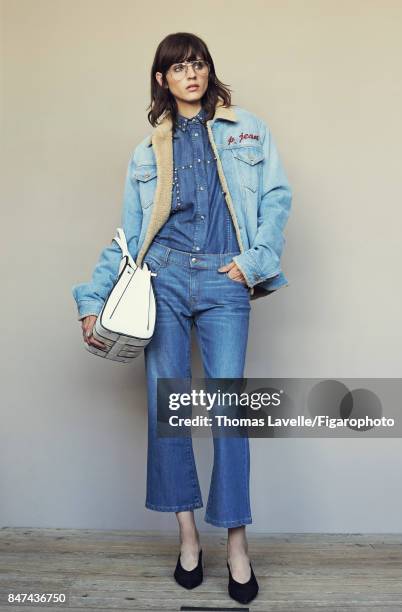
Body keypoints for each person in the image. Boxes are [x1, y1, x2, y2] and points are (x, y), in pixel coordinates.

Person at [72, 31, 292, 605]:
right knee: (168, 411)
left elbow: (276, 198)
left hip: (226, 278)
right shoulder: (147, 151)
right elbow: (127, 237)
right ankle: (189, 538)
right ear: (161, 80)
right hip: (163, 277)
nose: (190, 74)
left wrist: (253, 264)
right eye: (178, 67)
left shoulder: (248, 129)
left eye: (197, 64)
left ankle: (237, 544)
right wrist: (92, 300)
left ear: (207, 71)